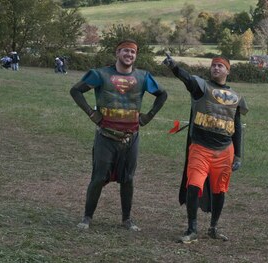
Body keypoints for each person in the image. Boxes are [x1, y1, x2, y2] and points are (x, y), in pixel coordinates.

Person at [70, 39, 168, 231]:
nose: (129, 55)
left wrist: (148, 117)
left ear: (136, 56)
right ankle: (87, 218)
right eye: (125, 51)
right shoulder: (101, 75)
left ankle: (126, 219)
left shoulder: (143, 77)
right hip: (106, 136)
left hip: (131, 137)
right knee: (98, 177)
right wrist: (92, 113)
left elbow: (162, 94)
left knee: (128, 179)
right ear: (117, 53)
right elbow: (75, 90)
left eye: (132, 52)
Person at [163, 54, 248, 243]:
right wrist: (174, 67)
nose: (216, 68)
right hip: (200, 148)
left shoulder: (235, 97)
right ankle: (192, 229)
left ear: (228, 70)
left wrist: (239, 155)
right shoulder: (201, 87)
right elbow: (188, 79)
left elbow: (237, 127)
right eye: (214, 65)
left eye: (220, 66)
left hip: (225, 151)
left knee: (220, 190)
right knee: (193, 185)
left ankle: (213, 227)